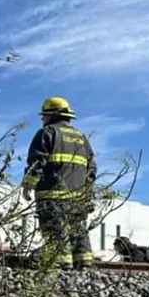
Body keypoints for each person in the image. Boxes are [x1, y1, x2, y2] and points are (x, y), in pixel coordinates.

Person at [21, 96, 97, 270]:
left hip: (52, 196)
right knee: (78, 232)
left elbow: (37, 162)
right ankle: (84, 265)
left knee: (56, 233)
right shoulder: (81, 138)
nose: (42, 119)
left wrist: (28, 185)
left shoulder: (46, 133)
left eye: (45, 114)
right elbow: (91, 169)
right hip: (78, 198)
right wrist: (87, 195)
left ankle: (62, 268)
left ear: (53, 115)